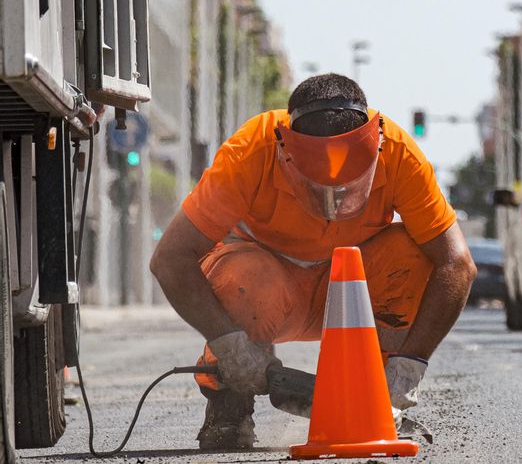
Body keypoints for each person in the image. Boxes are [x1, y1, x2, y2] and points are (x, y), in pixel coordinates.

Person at [150, 74, 477, 450]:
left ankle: (379, 395)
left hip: (350, 298)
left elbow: (457, 264)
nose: (333, 202)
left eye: (348, 187)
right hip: (266, 292)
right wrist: (231, 346)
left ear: (376, 146)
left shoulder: (398, 152)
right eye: (317, 187)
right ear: (284, 149)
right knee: (245, 277)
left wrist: (409, 365)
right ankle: (229, 403)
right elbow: (170, 258)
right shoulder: (251, 151)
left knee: (412, 254)